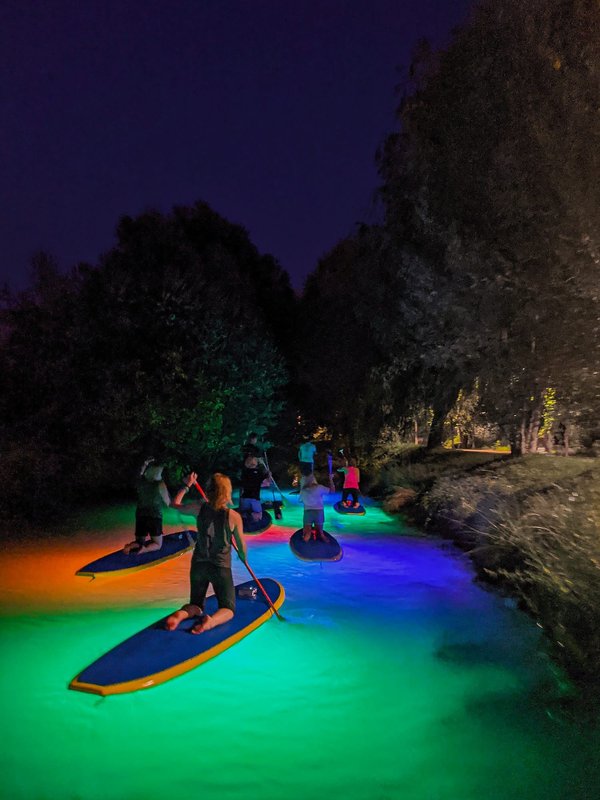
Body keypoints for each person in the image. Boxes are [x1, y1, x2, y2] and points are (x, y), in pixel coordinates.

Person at [166, 472, 247, 634]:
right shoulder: (233, 516)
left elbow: (173, 504)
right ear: (227, 493)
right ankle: (210, 622)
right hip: (220, 567)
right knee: (228, 608)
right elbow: (242, 548)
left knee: (195, 604)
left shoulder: (199, 508)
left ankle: (180, 615)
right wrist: (243, 558)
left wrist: (187, 485)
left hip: (199, 565)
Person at [123, 458, 172, 554]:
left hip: (141, 515)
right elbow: (168, 502)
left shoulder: (141, 482)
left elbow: (139, 474)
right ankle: (145, 549)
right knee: (157, 544)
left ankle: (130, 546)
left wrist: (145, 463)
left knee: (139, 541)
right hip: (154, 516)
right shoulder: (160, 484)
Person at [299, 473, 335, 542]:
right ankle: (322, 536)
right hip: (319, 512)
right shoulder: (319, 487)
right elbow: (332, 491)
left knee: (307, 534)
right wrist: (331, 480)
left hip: (308, 511)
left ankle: (306, 540)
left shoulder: (303, 490)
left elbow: (300, 500)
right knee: (320, 533)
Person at [239, 453, 271, 521]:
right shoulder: (258, 472)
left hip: (245, 497)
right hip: (254, 498)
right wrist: (268, 475)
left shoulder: (244, 472)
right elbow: (266, 483)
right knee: (258, 516)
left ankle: (247, 516)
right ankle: (251, 516)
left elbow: (248, 483)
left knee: (244, 515)